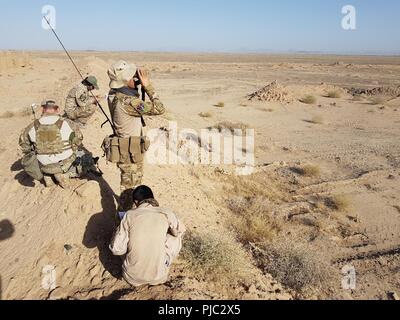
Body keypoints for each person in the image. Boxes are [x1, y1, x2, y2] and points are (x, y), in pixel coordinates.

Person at [104, 61, 166, 217]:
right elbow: (159, 108)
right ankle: (123, 222)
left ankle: (127, 216)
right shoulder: (129, 101)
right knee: (129, 189)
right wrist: (147, 87)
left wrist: (136, 85)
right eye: (133, 77)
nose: (136, 79)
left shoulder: (114, 94)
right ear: (125, 81)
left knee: (131, 184)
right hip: (129, 153)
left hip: (126, 148)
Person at [110, 186, 186, 287]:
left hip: (132, 277)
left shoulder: (129, 215)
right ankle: (162, 263)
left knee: (123, 237)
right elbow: (180, 231)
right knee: (177, 236)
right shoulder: (166, 212)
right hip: (159, 276)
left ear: (136, 202)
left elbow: (116, 250)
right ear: (152, 198)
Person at [19, 99, 99, 189]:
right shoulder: (68, 123)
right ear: (57, 109)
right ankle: (65, 174)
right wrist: (72, 147)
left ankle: (48, 176)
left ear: (42, 109)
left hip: (43, 165)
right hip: (64, 164)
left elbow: (24, 146)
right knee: (86, 156)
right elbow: (79, 138)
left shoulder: (31, 126)